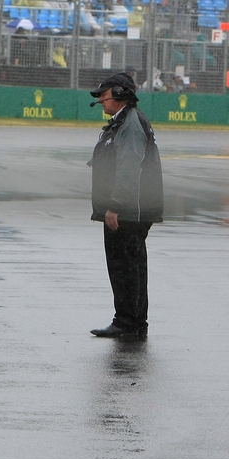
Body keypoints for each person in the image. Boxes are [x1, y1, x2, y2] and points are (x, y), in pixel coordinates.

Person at [87, 73, 163, 340]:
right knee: (131, 265)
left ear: (120, 95)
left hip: (129, 210)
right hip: (131, 208)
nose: (100, 99)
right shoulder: (123, 122)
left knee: (124, 266)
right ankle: (133, 321)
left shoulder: (130, 124)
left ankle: (127, 322)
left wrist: (115, 204)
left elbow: (129, 167)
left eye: (104, 94)